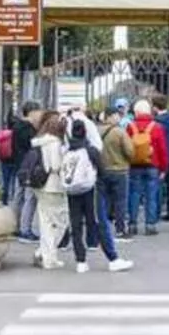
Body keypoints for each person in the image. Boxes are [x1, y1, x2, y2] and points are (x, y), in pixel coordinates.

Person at [62, 117, 134, 273]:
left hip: (72, 190)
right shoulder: (91, 150)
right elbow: (102, 171)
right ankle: (113, 258)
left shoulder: (68, 151)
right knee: (98, 221)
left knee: (76, 225)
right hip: (91, 190)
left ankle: (80, 261)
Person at [30, 113, 70, 270]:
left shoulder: (38, 142)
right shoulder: (55, 143)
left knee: (45, 222)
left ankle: (46, 255)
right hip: (54, 186)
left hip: (39, 185)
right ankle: (47, 255)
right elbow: (55, 166)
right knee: (61, 221)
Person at [125, 100, 169, 236]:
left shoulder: (130, 127)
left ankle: (132, 224)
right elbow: (162, 149)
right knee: (151, 196)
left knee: (134, 195)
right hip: (152, 165)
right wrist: (164, 168)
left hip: (134, 165)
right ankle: (150, 225)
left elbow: (126, 147)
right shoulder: (157, 127)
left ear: (136, 112)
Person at [11, 102, 45, 243]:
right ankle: (26, 230)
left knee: (18, 197)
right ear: (31, 112)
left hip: (19, 166)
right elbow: (34, 146)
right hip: (29, 167)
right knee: (30, 198)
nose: (40, 114)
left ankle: (15, 227)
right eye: (38, 111)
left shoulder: (16, 126)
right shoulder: (28, 129)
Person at [98, 111, 135, 238]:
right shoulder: (119, 132)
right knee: (120, 201)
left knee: (104, 201)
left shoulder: (97, 131)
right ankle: (120, 229)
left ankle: (104, 228)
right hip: (120, 169)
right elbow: (130, 151)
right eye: (117, 115)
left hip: (102, 170)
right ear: (111, 116)